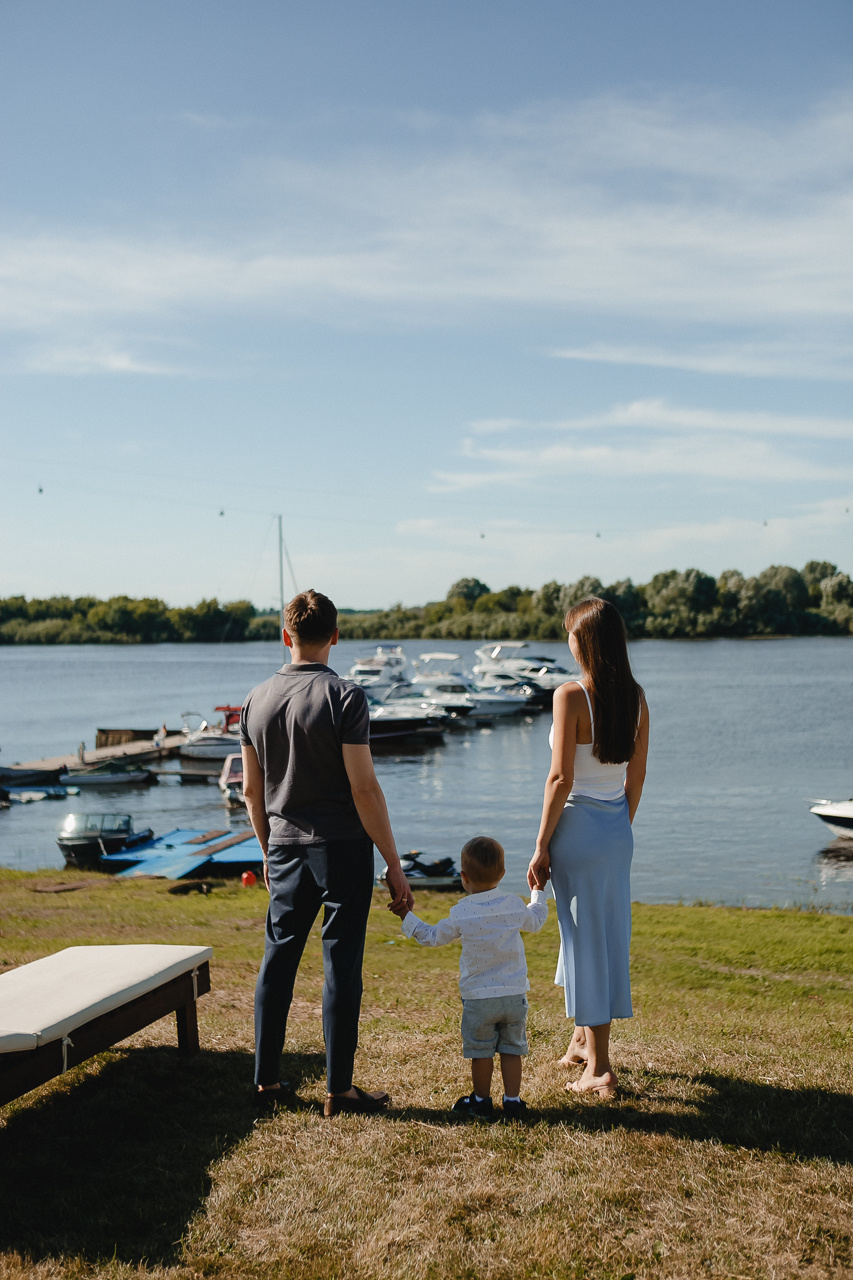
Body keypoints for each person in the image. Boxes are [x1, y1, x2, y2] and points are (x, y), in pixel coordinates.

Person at [240, 589, 414, 1118]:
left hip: (286, 848)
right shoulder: (346, 697)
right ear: (335, 636)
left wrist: (269, 853)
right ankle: (339, 1090)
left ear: (285, 635)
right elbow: (365, 789)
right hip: (341, 848)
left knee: (278, 962)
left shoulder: (255, 700)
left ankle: (266, 1082)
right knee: (341, 965)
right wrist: (394, 863)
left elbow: (252, 792)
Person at [527, 597, 649, 1099]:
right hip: (617, 830)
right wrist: (616, 829)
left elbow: (560, 778)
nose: (567, 641)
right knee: (592, 933)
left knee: (586, 942)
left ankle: (599, 1067)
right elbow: (635, 779)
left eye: (570, 634)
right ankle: (581, 1040)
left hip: (576, 826)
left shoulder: (570, 695)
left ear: (586, 642)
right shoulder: (636, 697)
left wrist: (540, 845)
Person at [394, 835, 548, 1119]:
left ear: (463, 877)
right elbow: (536, 919)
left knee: (481, 1051)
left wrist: (406, 915)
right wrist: (538, 891)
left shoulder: (461, 912)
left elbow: (431, 937)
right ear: (502, 874)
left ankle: (480, 1100)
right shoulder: (513, 904)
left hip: (478, 998)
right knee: (513, 1049)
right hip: (514, 995)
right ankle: (513, 1101)